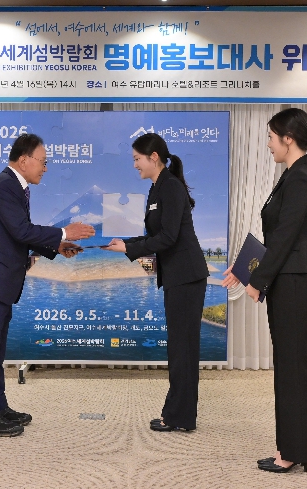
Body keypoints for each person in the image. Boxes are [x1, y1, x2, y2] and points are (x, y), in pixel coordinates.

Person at [0, 133, 95, 437]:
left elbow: (15, 234)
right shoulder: (5, 186)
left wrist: (56, 246)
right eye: (42, 162)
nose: (45, 168)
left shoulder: (15, 187)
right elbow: (21, 231)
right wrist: (64, 232)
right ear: (24, 160)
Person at [222, 107, 307, 473]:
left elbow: (284, 239)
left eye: (270, 137)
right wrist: (244, 269)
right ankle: (292, 448)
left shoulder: (300, 177)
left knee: (291, 367)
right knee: (288, 365)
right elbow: (278, 237)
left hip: (294, 282)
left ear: (288, 138)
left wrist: (257, 280)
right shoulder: (294, 174)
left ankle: (293, 452)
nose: (268, 144)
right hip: (289, 278)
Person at [103, 133, 209, 432]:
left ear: (154, 157)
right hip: (178, 276)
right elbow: (156, 234)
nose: (134, 165)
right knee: (179, 348)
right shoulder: (157, 187)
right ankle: (179, 414)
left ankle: (179, 417)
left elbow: (169, 237)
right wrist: (126, 243)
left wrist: (130, 249)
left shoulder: (170, 187)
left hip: (187, 276)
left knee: (182, 350)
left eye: (137, 159)